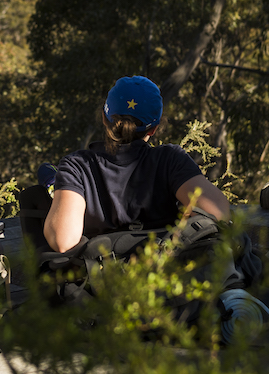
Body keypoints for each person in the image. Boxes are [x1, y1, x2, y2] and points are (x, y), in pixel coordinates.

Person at [44, 76, 230, 253]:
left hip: (98, 279)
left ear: (104, 117)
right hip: (164, 275)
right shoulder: (170, 160)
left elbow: (63, 242)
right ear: (154, 128)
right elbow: (218, 212)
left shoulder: (77, 167)